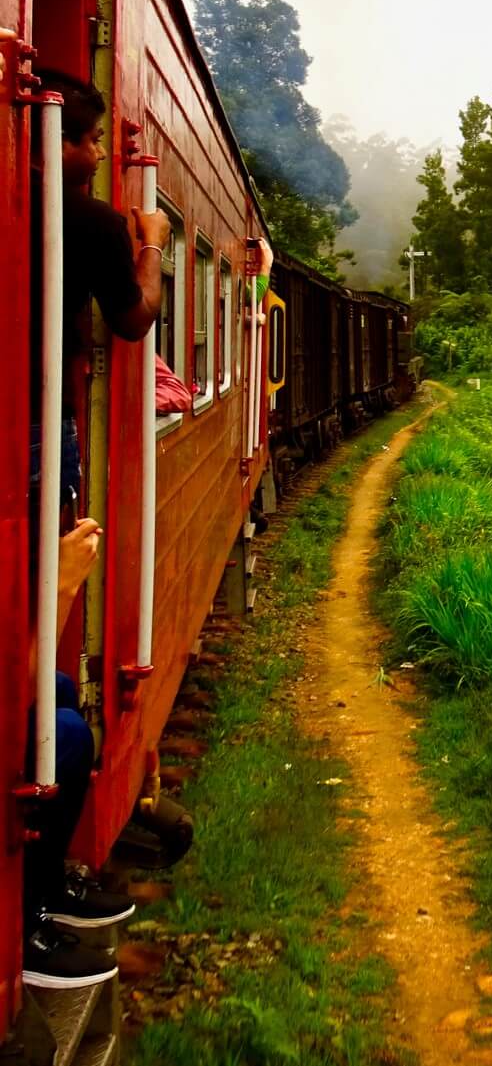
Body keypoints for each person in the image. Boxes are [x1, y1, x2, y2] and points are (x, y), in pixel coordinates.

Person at [21, 74, 161, 987]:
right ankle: (32, 914)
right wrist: (150, 249)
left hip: (29, 419)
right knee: (52, 683)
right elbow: (134, 322)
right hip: (41, 426)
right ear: (62, 135)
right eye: (86, 141)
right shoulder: (100, 222)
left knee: (54, 689)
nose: (90, 157)